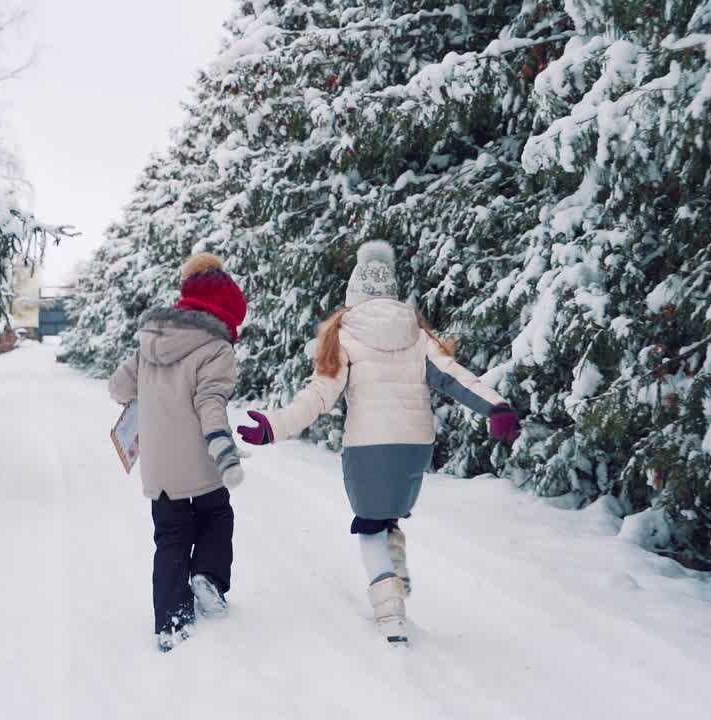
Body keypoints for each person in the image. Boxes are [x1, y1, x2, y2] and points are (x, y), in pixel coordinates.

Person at [237, 241, 519, 644]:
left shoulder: (344, 332)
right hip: (415, 446)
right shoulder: (417, 332)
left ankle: (391, 613)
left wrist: (274, 426)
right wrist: (497, 408)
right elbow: (457, 377)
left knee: (368, 525)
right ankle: (397, 572)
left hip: (368, 445)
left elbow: (319, 396)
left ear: (354, 293)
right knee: (388, 514)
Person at [109, 253, 248, 653]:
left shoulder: (152, 338)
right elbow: (211, 402)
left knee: (170, 536)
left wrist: (145, 389)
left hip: (160, 467)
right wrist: (224, 450)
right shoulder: (216, 348)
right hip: (200, 463)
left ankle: (170, 620)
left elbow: (119, 387)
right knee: (217, 514)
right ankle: (207, 574)